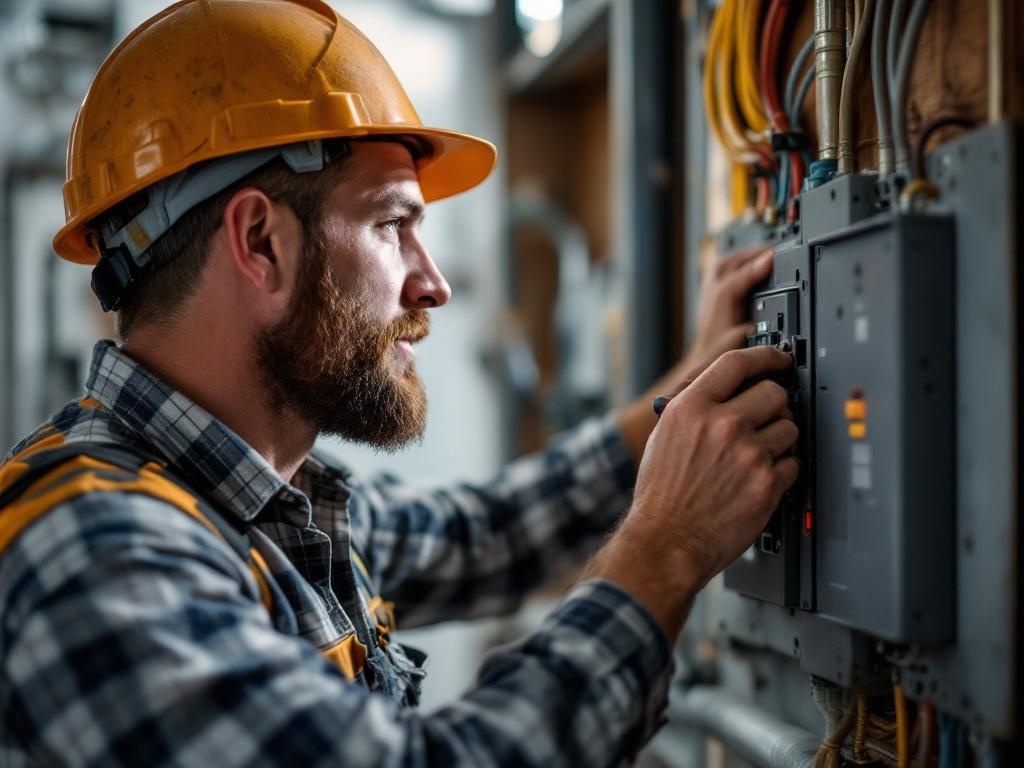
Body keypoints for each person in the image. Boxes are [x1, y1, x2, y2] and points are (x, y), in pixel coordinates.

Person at [0, 1, 798, 765]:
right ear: (260, 243)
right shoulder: (99, 553)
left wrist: (678, 402)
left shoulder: (256, 503)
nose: (435, 284)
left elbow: (487, 535)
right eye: (392, 224)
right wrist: (668, 549)